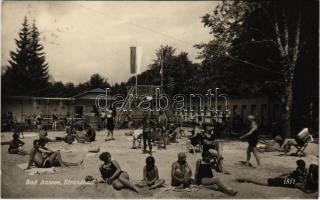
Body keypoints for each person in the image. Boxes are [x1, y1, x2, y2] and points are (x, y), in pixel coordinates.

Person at [236, 159, 309, 190]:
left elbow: (288, 177)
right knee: (261, 182)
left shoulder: (299, 173)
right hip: (282, 181)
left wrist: (280, 177)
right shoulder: (300, 174)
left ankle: (244, 179)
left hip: (283, 181)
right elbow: (290, 179)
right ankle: (244, 179)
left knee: (260, 182)